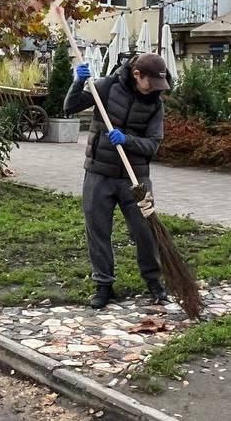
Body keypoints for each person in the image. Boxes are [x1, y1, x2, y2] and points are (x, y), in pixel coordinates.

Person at [63, 52, 170, 310]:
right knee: (98, 230)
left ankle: (154, 283)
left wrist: (127, 140)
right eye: (151, 83)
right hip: (99, 173)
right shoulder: (106, 87)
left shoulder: (155, 104)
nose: (155, 89)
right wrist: (78, 83)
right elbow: (70, 107)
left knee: (146, 231)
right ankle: (104, 286)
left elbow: (153, 145)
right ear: (137, 75)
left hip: (135, 178)